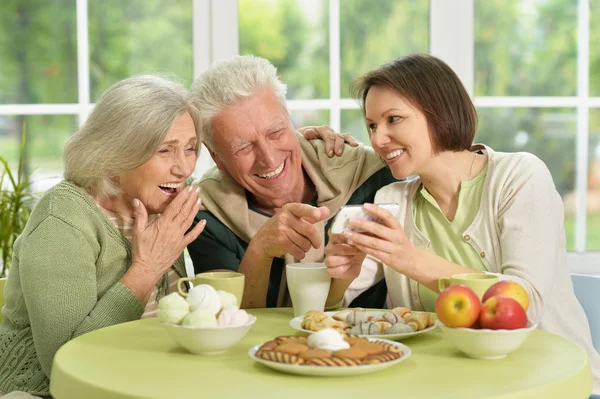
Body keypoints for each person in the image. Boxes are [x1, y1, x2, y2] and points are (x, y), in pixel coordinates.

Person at [323, 53, 600, 393]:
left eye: (393, 119)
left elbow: (524, 304)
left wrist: (412, 261)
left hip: (545, 384)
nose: (378, 139)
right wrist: (341, 277)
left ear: (439, 112)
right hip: (443, 387)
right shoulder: (390, 200)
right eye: (372, 126)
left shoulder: (520, 176)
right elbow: (328, 309)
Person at [0, 75, 206, 397]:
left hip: (139, 383)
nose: (183, 168)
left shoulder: (158, 209)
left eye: (191, 148)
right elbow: (66, 362)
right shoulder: (63, 218)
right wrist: (147, 269)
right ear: (117, 152)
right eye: (165, 150)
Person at [187, 55, 396, 309]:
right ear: (216, 157)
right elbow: (224, 317)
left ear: (290, 119)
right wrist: (260, 250)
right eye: (243, 146)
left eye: (276, 132)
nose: (268, 158)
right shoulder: (205, 212)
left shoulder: (373, 175)